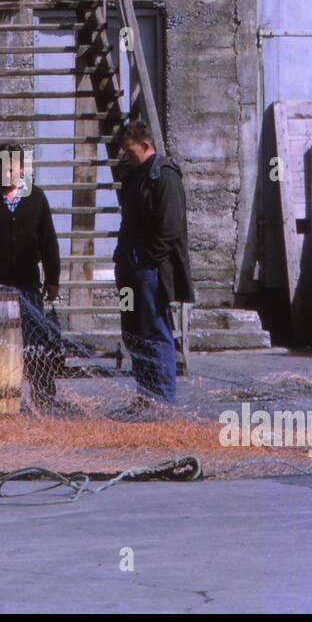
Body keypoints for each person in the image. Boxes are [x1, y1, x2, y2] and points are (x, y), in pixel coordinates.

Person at [0, 143, 62, 406]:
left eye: (11, 168)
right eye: (1, 168)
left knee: (35, 344)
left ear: (21, 169)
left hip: (27, 284)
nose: (7, 173)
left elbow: (48, 241)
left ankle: (44, 398)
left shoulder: (36, 198)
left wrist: (53, 279)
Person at [114, 119, 193, 408]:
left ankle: (161, 399)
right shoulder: (135, 176)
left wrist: (149, 262)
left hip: (148, 269)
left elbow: (170, 227)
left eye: (130, 150)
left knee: (154, 330)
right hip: (128, 267)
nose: (126, 155)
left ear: (146, 146)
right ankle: (145, 395)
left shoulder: (164, 176)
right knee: (132, 330)